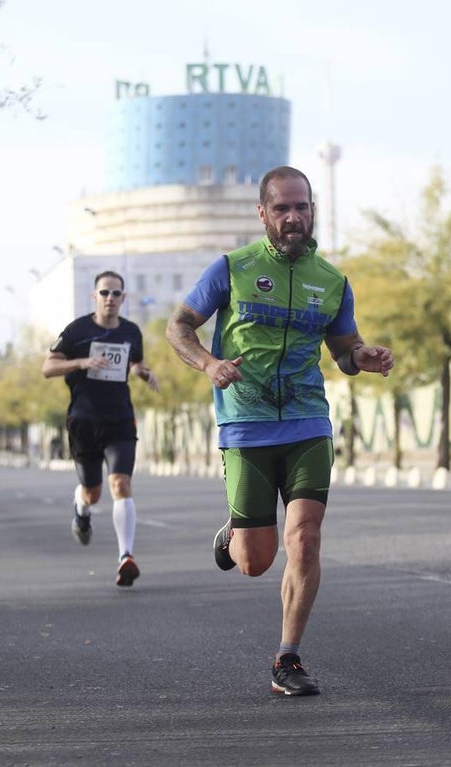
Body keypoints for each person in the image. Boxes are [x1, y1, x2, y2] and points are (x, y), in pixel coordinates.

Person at [166, 165, 394, 696]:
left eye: (303, 207)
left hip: (307, 420)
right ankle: (234, 533)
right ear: (263, 213)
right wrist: (207, 364)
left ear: (313, 211)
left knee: (305, 539)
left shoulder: (332, 280)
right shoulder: (231, 268)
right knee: (254, 562)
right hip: (244, 424)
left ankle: (287, 658)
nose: (294, 217)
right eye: (283, 208)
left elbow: (343, 352)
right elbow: (179, 327)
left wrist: (365, 355)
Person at [42, 271, 159, 588]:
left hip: (120, 417)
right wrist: (80, 363)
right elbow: (48, 367)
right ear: (94, 296)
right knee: (92, 492)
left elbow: (133, 362)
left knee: (120, 483)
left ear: (124, 298)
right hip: (84, 421)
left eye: (116, 294)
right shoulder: (77, 330)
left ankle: (126, 557)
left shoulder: (132, 331)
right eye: (105, 293)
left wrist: (142, 372)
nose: (111, 299)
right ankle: (81, 508)